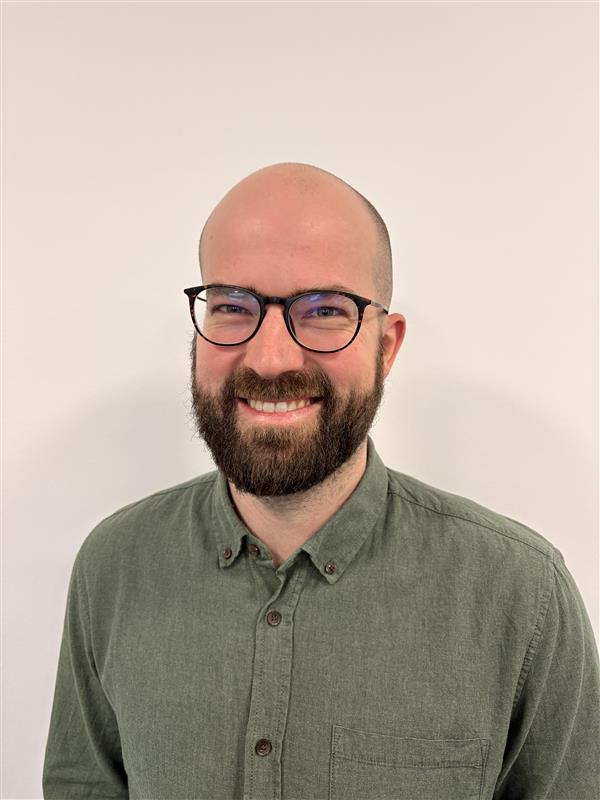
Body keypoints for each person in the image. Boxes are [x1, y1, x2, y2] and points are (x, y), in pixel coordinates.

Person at [43, 162, 599, 800]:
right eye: (231, 306)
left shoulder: (522, 598)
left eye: (324, 310)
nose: (271, 356)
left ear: (386, 347)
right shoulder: (112, 570)